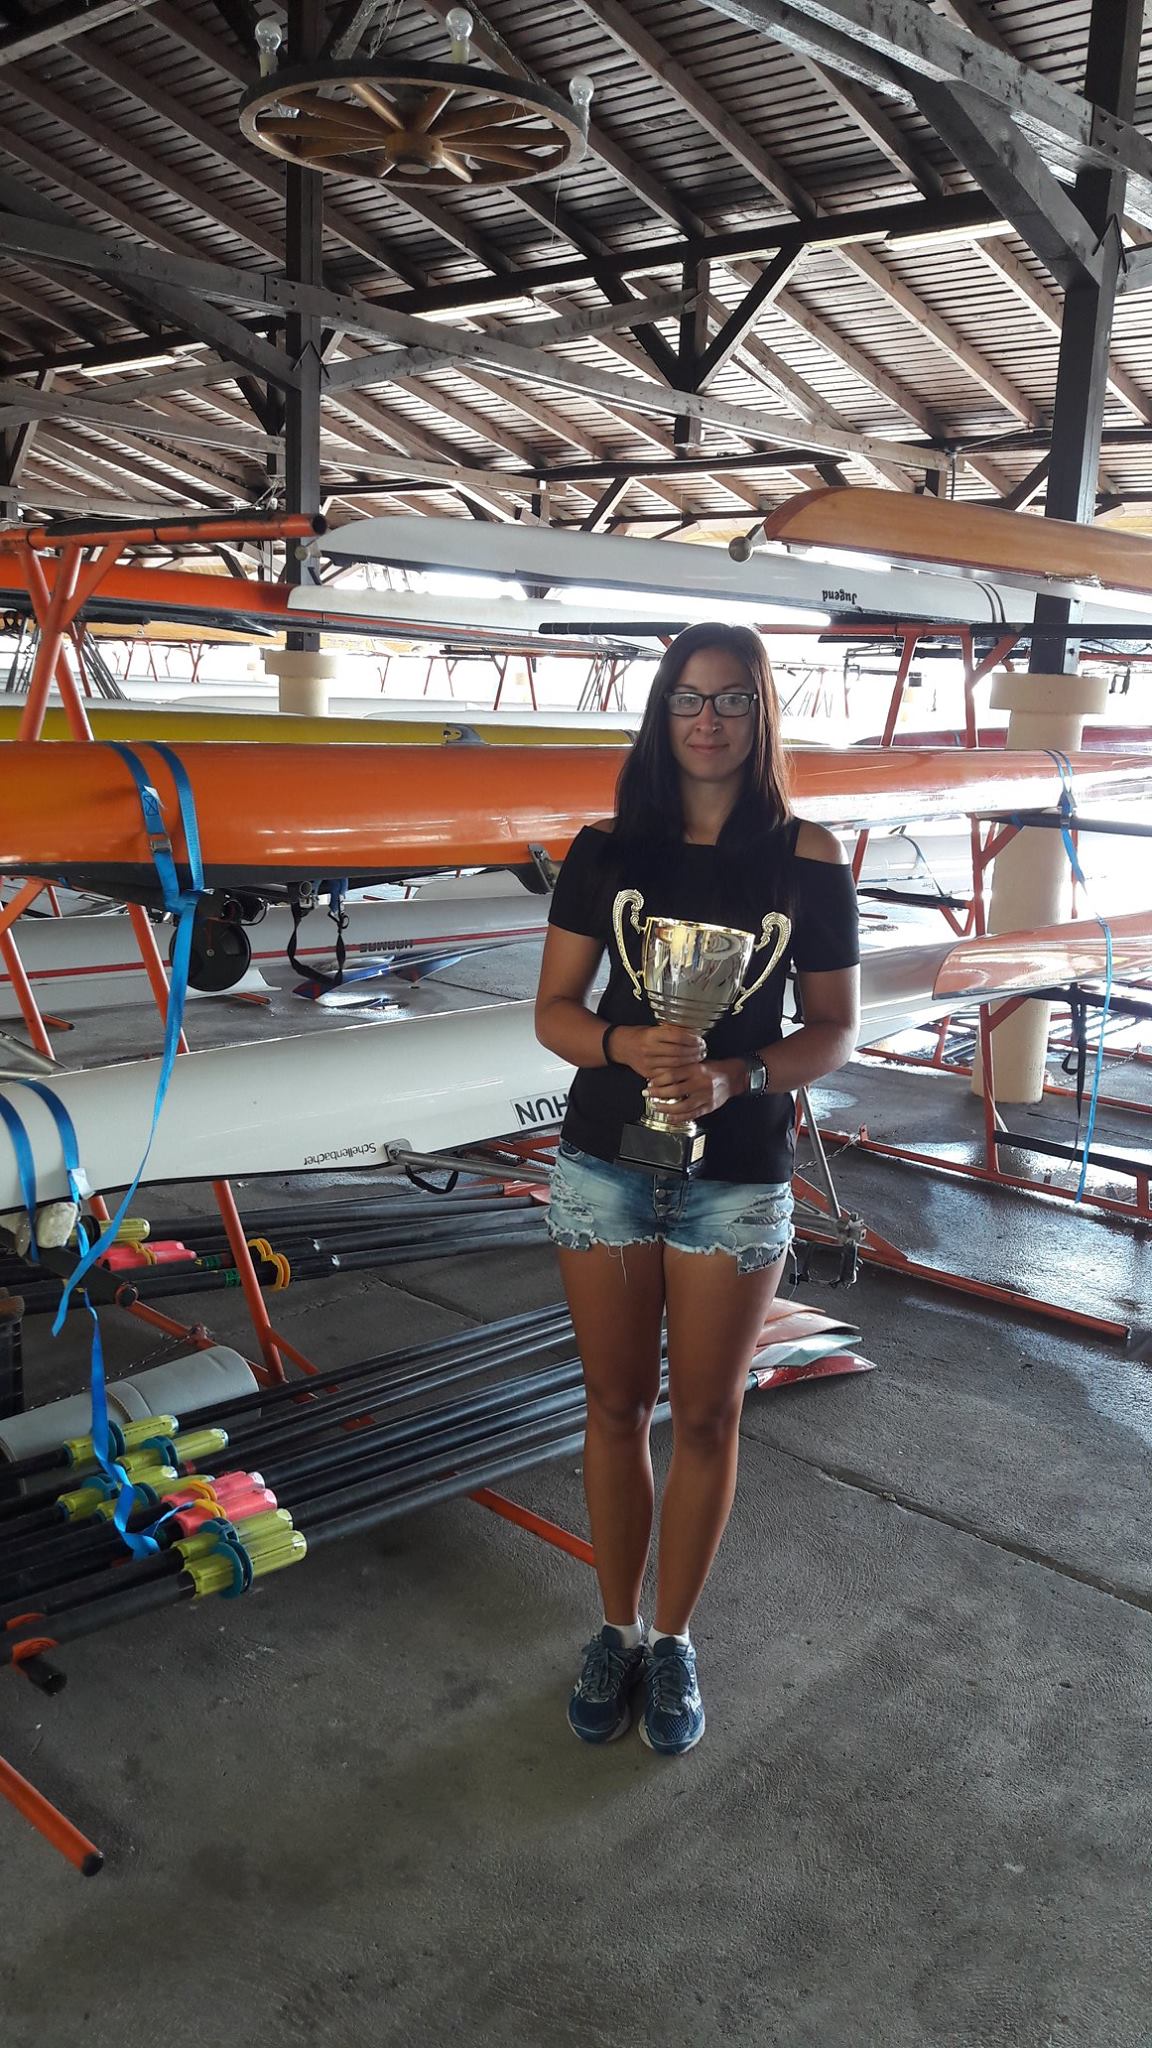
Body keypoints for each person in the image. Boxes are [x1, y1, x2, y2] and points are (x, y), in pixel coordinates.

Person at [534, 622, 860, 1757]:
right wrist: (625, 1044)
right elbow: (553, 1013)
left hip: (737, 1177)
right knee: (615, 1405)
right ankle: (615, 1628)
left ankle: (673, 1638)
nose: (708, 720)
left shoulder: (809, 856)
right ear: (661, 711)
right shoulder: (605, 847)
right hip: (606, 1165)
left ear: (761, 714)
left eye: (729, 699)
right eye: (687, 697)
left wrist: (738, 1073)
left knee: (711, 1414)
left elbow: (834, 1027)